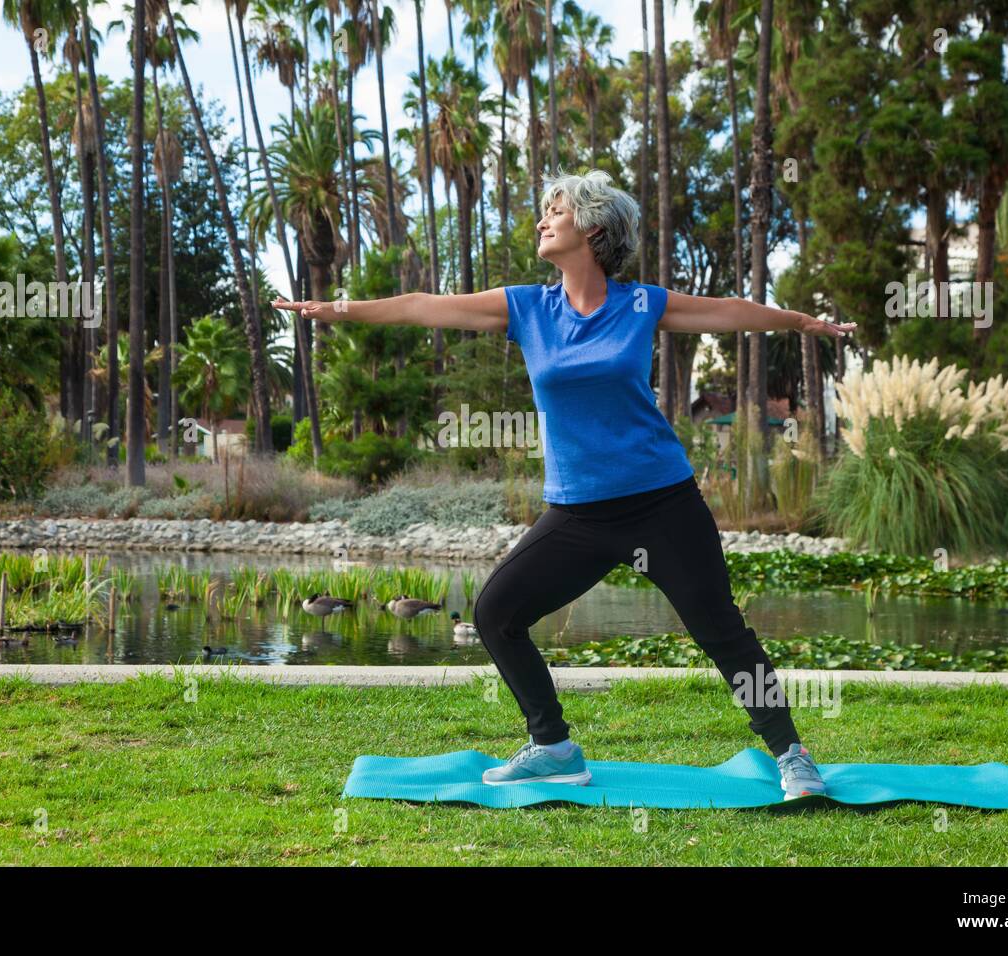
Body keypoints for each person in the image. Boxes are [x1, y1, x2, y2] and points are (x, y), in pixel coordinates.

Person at [274, 168, 856, 800]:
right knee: (497, 612)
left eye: (556, 211)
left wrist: (801, 321)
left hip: (662, 502)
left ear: (594, 228)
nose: (543, 221)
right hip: (578, 514)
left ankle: (792, 756)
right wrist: (335, 307)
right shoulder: (528, 306)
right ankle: (553, 746)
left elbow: (728, 313)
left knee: (721, 630)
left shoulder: (640, 305)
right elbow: (425, 306)